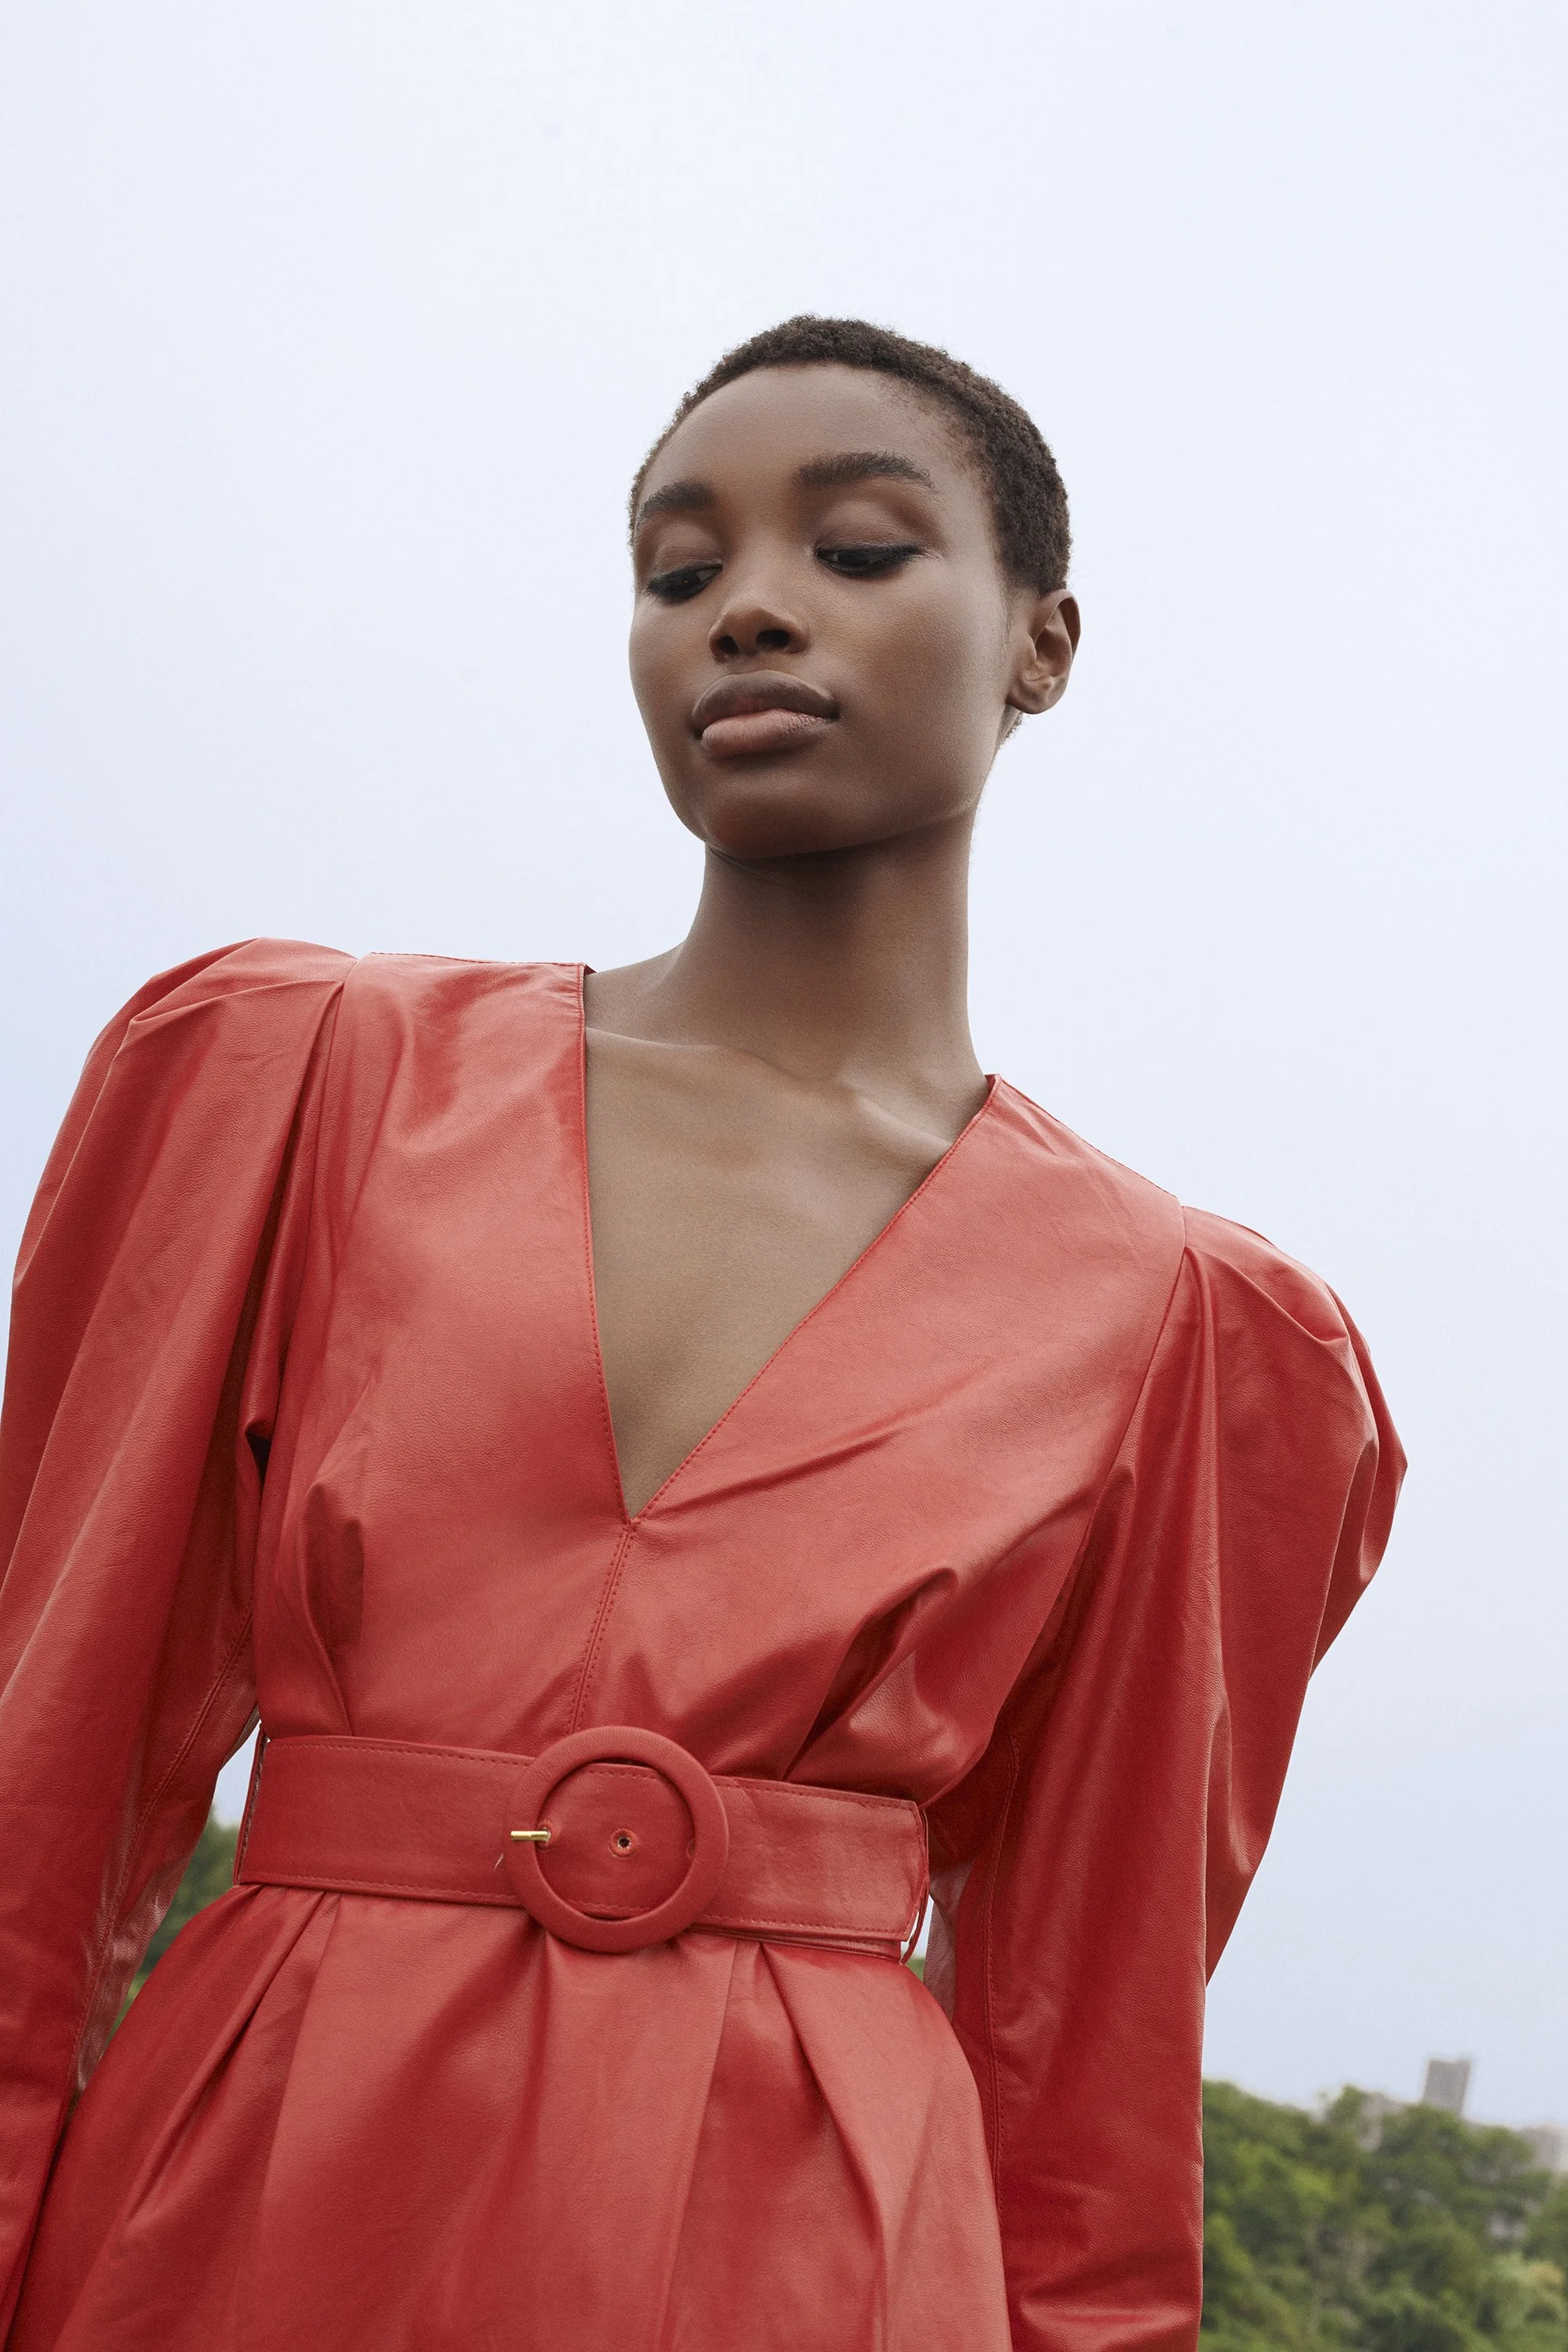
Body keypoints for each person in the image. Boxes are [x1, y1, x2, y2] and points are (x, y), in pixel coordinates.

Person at [0, 317, 1402, 2352]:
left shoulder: (1182, 1325)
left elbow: (1085, 2051)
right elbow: (37, 1798)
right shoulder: (299, 1082)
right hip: (258, 2188)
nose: (745, 609)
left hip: (816, 2251)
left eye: (854, 552)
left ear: (1044, 643)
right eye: (677, 573)